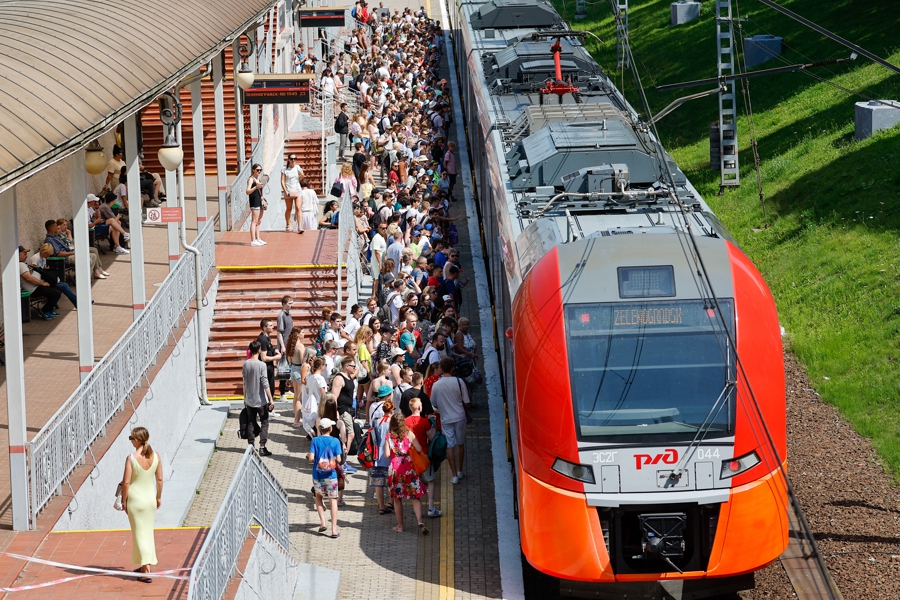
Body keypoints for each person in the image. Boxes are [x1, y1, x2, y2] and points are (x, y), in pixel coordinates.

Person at [121, 426, 162, 583]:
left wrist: (124, 501)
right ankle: (146, 564)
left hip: (136, 500)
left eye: (131, 438)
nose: (131, 441)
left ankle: (146, 569)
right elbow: (159, 479)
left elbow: (126, 482)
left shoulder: (131, 458)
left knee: (139, 534)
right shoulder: (156, 456)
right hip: (150, 499)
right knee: (147, 532)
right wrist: (158, 497)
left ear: (137, 440)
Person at [385, 412, 429, 535]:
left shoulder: (388, 436)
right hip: (409, 467)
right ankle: (420, 521)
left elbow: (387, 454)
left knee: (397, 499)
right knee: (415, 497)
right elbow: (419, 449)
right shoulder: (409, 434)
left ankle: (400, 526)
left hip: (395, 468)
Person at [430, 357, 470, 484]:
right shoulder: (459, 382)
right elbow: (467, 402)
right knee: (460, 443)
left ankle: (454, 475)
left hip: (445, 418)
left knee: (449, 446)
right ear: (452, 368)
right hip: (460, 417)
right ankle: (460, 470)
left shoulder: (436, 385)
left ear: (441, 369)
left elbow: (434, 404)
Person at [307, 418, 343, 538]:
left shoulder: (315, 440)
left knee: (318, 497)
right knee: (333, 500)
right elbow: (338, 459)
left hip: (317, 475)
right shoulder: (336, 441)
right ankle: (333, 530)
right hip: (331, 475)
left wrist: (308, 457)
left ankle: (322, 522)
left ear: (320, 429)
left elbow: (311, 458)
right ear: (331, 428)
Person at [406, 397, 441, 517]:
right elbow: (431, 437)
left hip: (411, 455)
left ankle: (416, 507)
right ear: (419, 407)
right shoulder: (424, 422)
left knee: (415, 481)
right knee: (430, 481)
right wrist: (433, 426)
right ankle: (431, 508)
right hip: (424, 455)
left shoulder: (405, 422)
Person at [243, 340, 274, 456]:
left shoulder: (246, 364)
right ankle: (262, 446)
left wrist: (244, 397)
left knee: (251, 422)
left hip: (250, 400)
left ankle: (251, 445)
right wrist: (271, 399)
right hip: (261, 400)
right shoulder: (261, 365)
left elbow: (244, 382)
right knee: (264, 422)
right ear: (259, 349)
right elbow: (265, 383)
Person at [330, 359, 359, 470]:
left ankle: (342, 461)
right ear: (346, 366)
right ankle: (342, 461)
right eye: (353, 366)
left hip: (348, 410)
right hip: (342, 410)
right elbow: (334, 397)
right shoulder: (339, 378)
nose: (355, 368)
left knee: (347, 434)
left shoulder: (349, 378)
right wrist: (336, 412)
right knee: (349, 435)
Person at [27, 244, 78, 308]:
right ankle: (77, 301)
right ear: (44, 252)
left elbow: (44, 268)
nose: (48, 256)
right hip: (40, 281)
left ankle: (76, 301)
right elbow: (35, 270)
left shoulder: (43, 257)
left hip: (44, 278)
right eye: (47, 254)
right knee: (63, 286)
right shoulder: (35, 258)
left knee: (65, 285)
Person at [18, 246, 61, 320]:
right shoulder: (20, 265)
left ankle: (50, 309)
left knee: (58, 288)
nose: (26, 256)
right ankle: (45, 311)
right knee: (55, 293)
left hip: (37, 285)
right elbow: (29, 278)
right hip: (34, 288)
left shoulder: (23, 264)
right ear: (18, 255)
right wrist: (42, 283)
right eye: (24, 254)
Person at [369, 399, 394, 514]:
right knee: (391, 481)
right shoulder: (393, 423)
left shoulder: (376, 421)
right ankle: (391, 501)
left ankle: (381, 507)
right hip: (390, 455)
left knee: (378, 482)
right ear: (392, 410)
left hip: (377, 455)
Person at [255, 319, 282, 401]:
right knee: (267, 388)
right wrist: (275, 358)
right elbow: (264, 358)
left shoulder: (267, 338)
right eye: (270, 325)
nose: (273, 327)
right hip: (265, 368)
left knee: (271, 387)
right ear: (264, 328)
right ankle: (267, 409)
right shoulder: (262, 340)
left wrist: (274, 351)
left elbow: (269, 349)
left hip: (269, 367)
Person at [286, 327, 306, 428]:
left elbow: (289, 359)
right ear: (297, 334)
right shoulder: (300, 346)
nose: (304, 334)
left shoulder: (290, 345)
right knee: (299, 397)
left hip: (293, 369)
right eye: (302, 332)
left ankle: (296, 418)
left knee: (296, 396)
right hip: (299, 370)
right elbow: (303, 361)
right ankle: (296, 420)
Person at [276, 296, 294, 398]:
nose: (291, 306)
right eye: (289, 304)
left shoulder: (289, 315)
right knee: (282, 369)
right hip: (284, 346)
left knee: (288, 368)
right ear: (284, 304)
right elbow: (279, 332)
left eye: (292, 303)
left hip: (289, 345)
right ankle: (282, 392)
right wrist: (282, 346)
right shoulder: (281, 315)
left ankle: (286, 389)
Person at [281, 154, 303, 232]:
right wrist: (285, 191)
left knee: (298, 208)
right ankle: (288, 224)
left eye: (295, 158)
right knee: (289, 209)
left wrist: (302, 175)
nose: (293, 160)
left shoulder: (298, 167)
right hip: (289, 190)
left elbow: (300, 179)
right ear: (289, 159)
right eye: (292, 159)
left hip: (297, 190)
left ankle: (300, 227)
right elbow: (282, 181)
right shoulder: (285, 169)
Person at [247, 164, 266, 246]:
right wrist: (255, 187)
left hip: (259, 201)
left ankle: (258, 238)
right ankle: (253, 240)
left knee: (259, 221)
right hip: (254, 201)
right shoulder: (251, 179)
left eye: (260, 170)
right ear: (253, 170)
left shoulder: (258, 179)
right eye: (257, 170)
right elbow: (247, 191)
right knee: (254, 221)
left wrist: (262, 197)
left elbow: (259, 191)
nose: (259, 171)